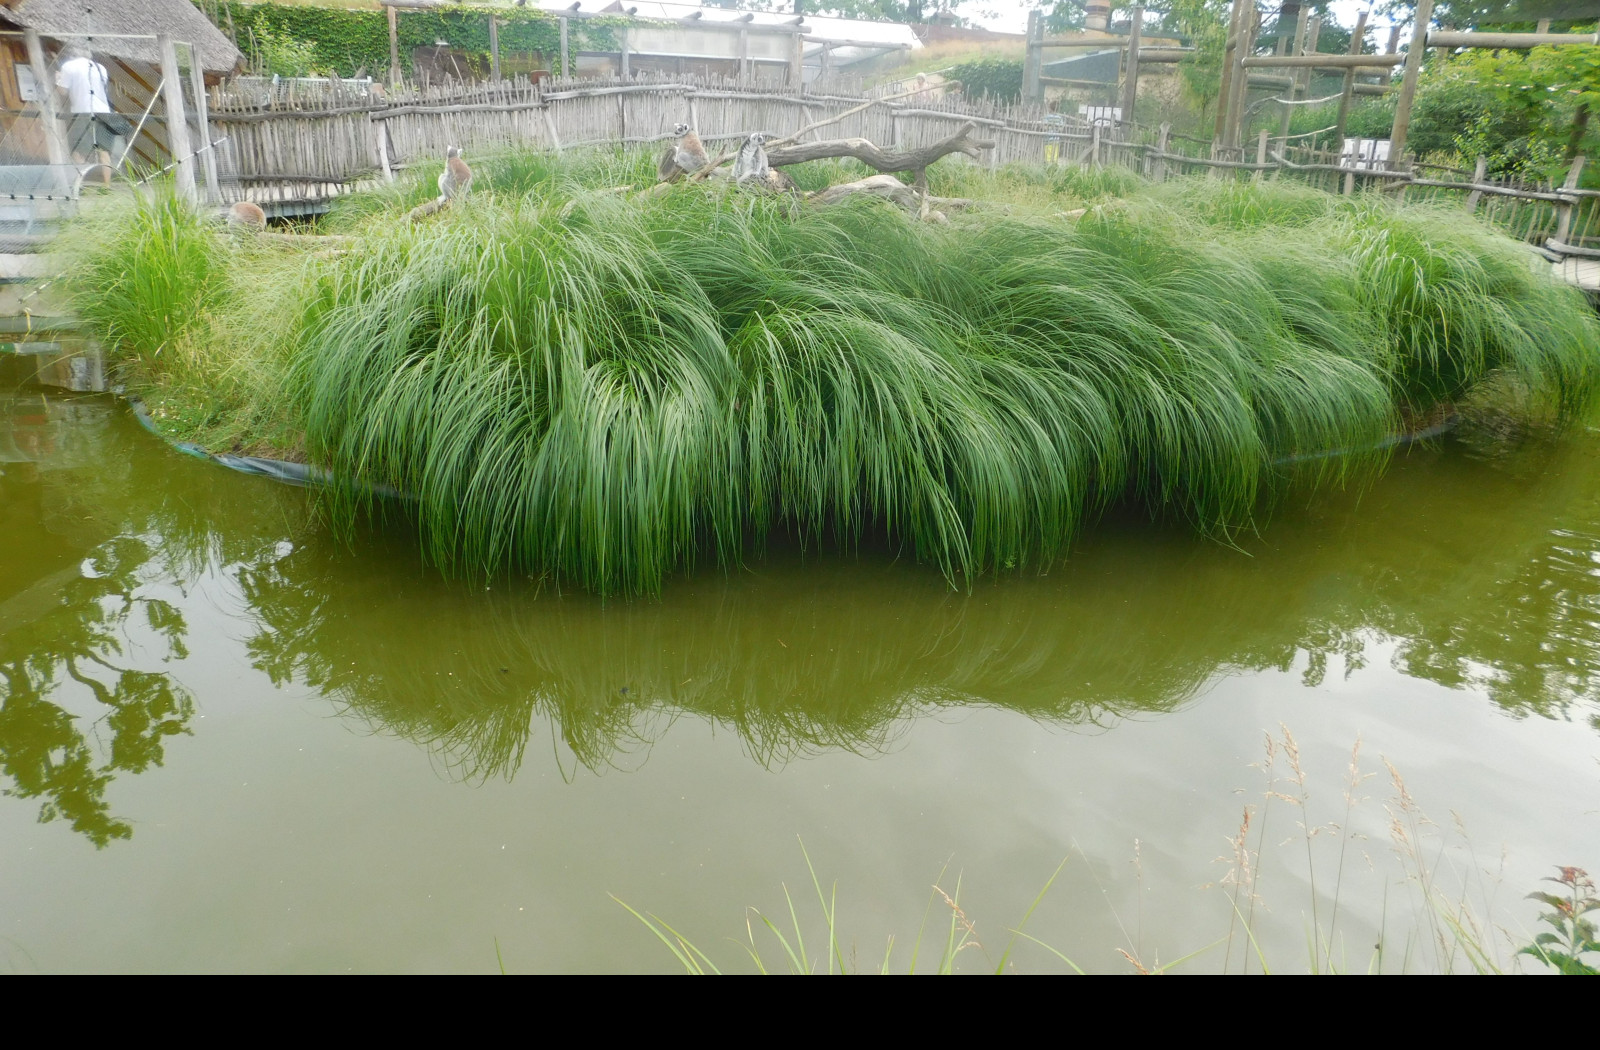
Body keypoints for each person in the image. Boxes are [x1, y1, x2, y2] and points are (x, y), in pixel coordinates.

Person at [56, 45, 128, 186]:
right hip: (104, 111)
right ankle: (107, 185)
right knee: (104, 151)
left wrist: (58, 78)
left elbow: (62, 92)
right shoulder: (100, 68)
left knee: (78, 151)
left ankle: (81, 184)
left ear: (72, 54)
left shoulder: (68, 67)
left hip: (83, 112)